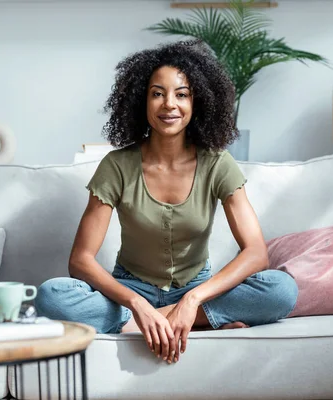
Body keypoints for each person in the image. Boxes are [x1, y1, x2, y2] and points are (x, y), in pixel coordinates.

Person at [35, 40, 298, 364]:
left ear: (196, 101)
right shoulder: (117, 165)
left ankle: (159, 323)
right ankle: (190, 323)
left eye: (181, 94)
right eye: (157, 93)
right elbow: (81, 260)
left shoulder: (218, 163)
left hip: (199, 291)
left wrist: (192, 300)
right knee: (52, 296)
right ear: (142, 101)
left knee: (281, 290)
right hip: (132, 289)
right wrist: (138, 305)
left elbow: (257, 252)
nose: (169, 104)